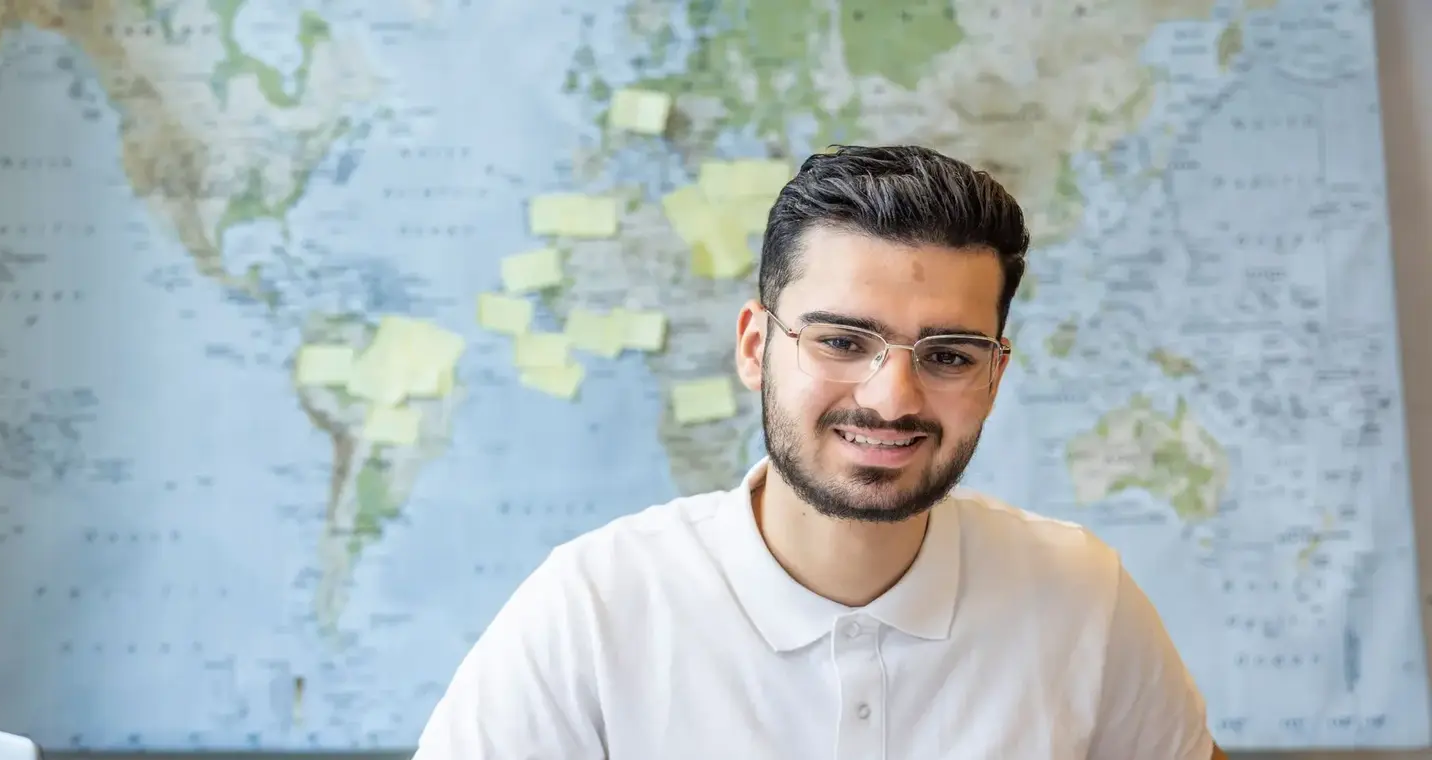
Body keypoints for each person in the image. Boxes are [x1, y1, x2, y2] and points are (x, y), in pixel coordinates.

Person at [412, 145, 1226, 759]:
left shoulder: (1083, 597)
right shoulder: (592, 609)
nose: (892, 398)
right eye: (842, 339)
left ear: (994, 374)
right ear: (754, 346)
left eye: (948, 354)